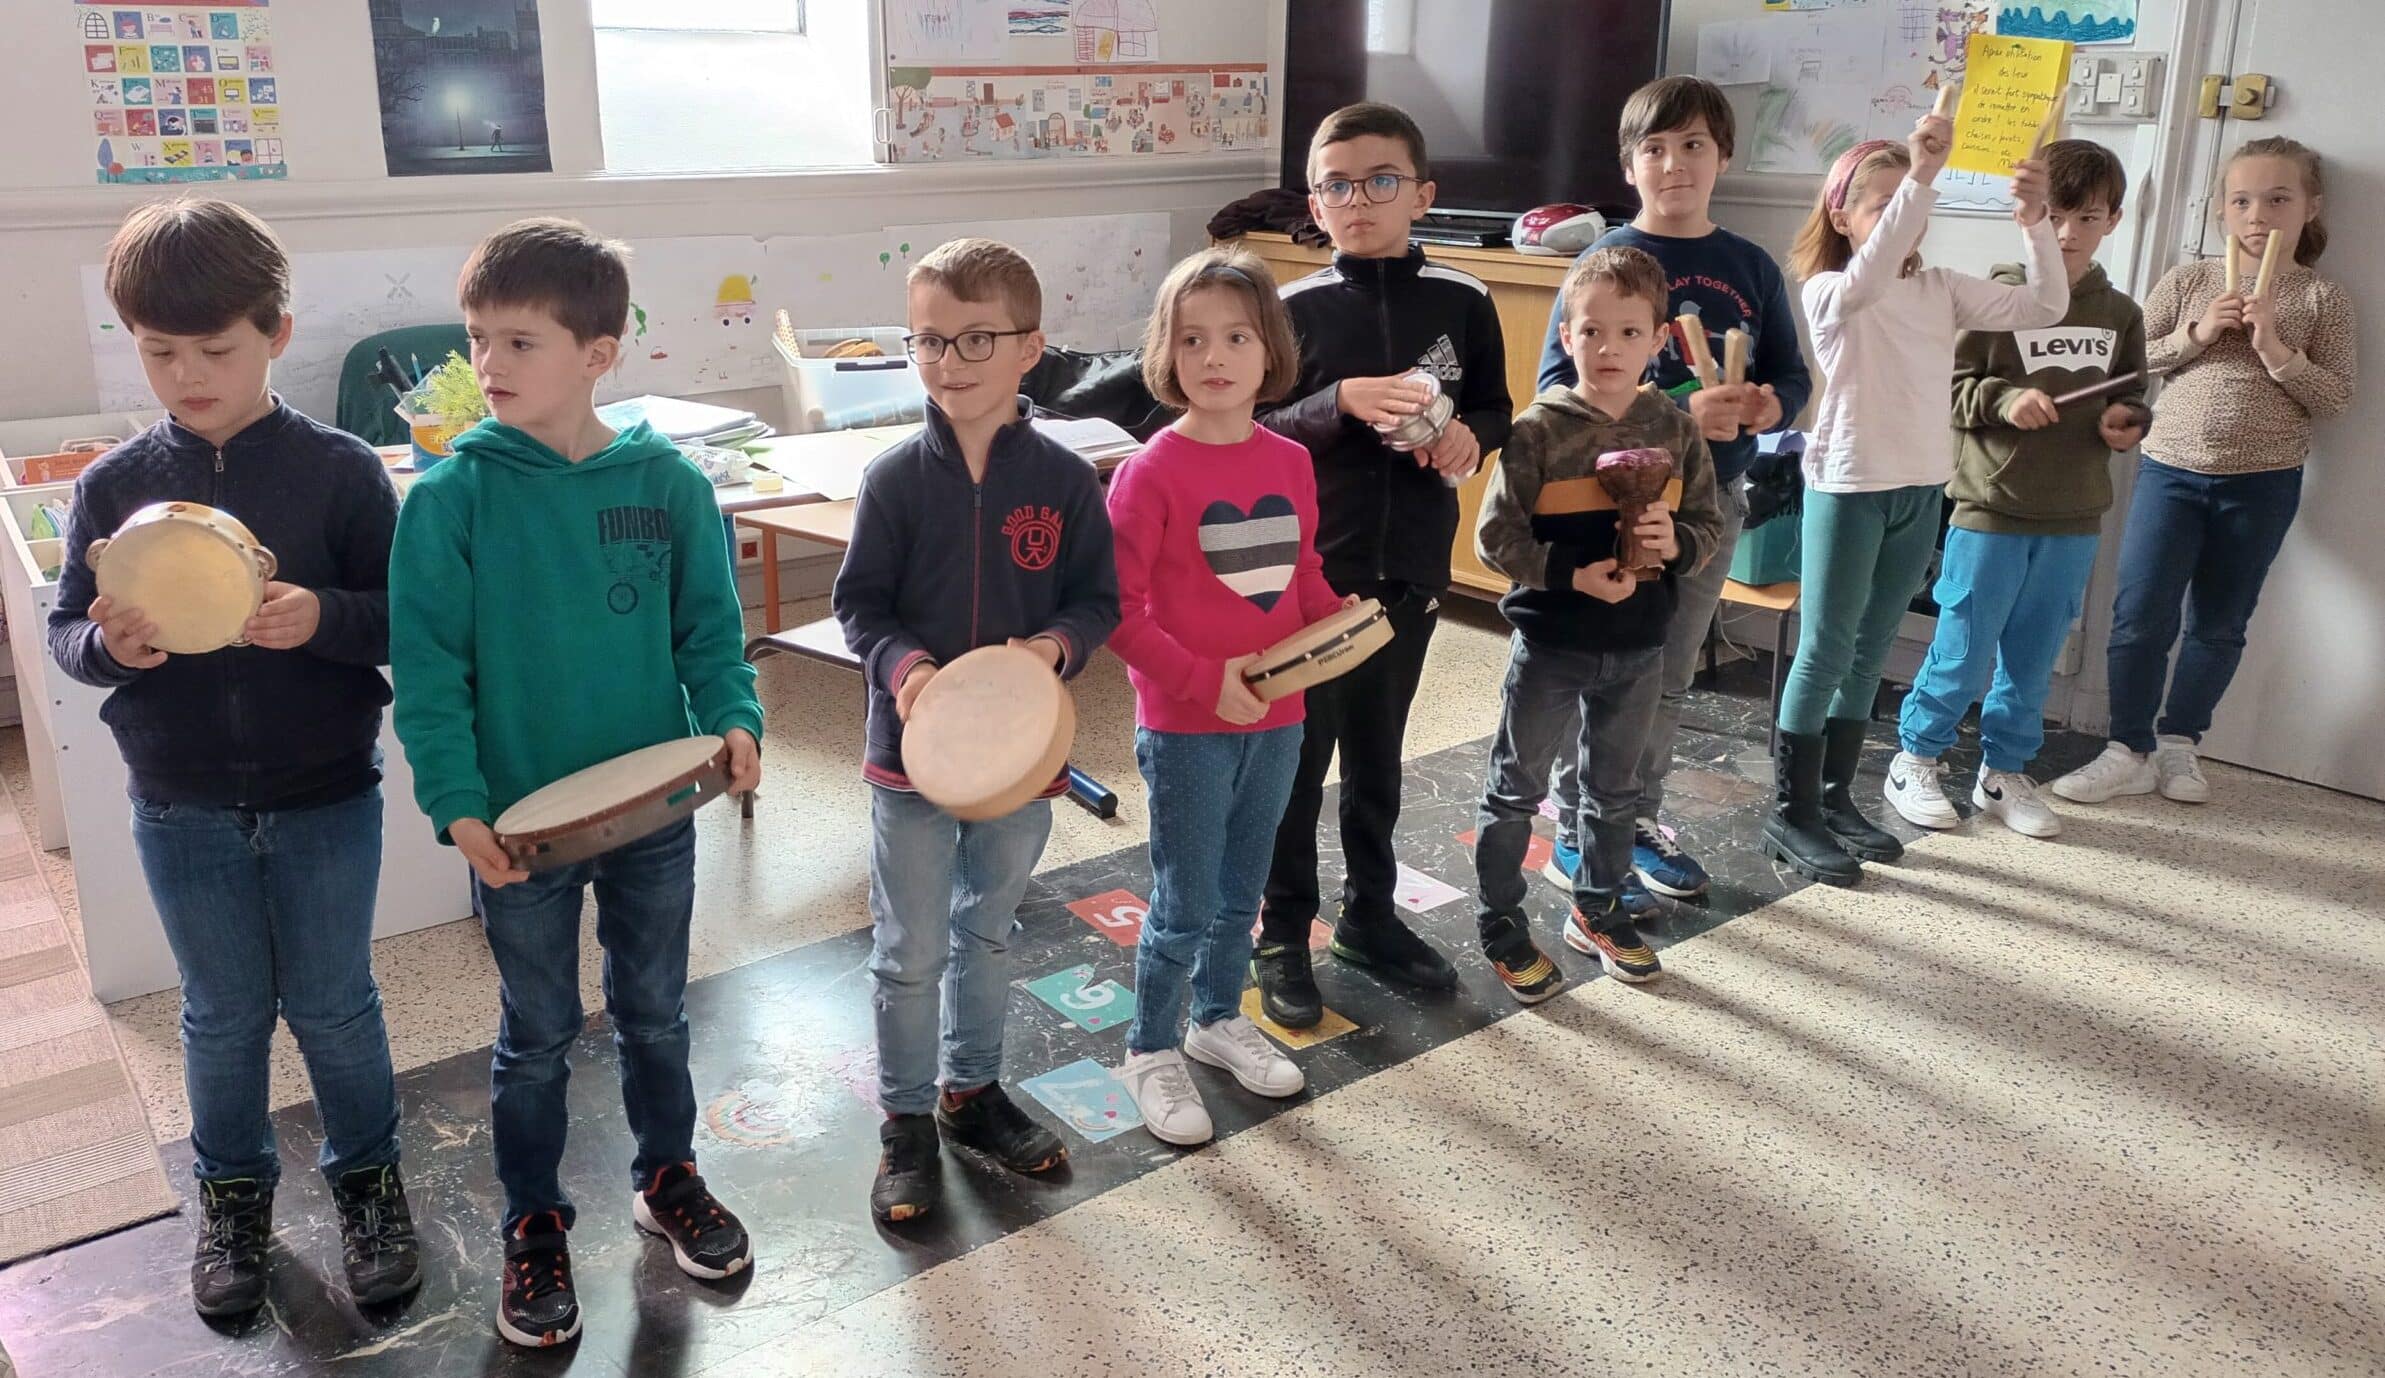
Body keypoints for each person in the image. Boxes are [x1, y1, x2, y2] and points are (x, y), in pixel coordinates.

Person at [389, 217, 765, 1348]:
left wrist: (735, 719)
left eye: (519, 341)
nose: (488, 364)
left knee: (655, 1011)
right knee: (537, 1033)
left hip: (654, 810)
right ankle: (534, 1218)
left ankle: (669, 1176)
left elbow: (709, 632)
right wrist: (457, 804)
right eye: (477, 338)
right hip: (522, 831)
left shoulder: (670, 483)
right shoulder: (450, 500)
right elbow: (430, 673)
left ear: (598, 353)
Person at [48, 198, 418, 1319]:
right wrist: (109, 647)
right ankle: (233, 1198)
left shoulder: (341, 470)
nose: (188, 375)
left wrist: (324, 617)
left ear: (275, 332)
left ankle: (369, 1184)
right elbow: (68, 632)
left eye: (215, 349)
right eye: (160, 351)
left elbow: (404, 617)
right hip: (181, 799)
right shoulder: (113, 485)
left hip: (325, 791)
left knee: (335, 1004)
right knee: (219, 1013)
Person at [832, 237, 1119, 1222]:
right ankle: (907, 1119)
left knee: (987, 931)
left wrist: (1051, 649)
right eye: (927, 340)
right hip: (909, 759)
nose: (948, 361)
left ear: (1030, 348)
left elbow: (1096, 600)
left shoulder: (1067, 480)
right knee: (909, 949)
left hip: (1021, 759)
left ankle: (972, 1090)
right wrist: (906, 670)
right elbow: (860, 606)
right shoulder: (892, 479)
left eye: (975, 339)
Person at [1252, 101, 1511, 1029]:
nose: (1357, 200)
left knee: (1377, 757)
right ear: (1314, 205)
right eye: (1336, 186)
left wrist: (1470, 440)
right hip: (1314, 577)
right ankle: (1283, 931)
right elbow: (1251, 430)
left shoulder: (1465, 298)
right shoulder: (1289, 310)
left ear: (1422, 195)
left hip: (1411, 570)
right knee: (1297, 763)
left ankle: (1369, 915)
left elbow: (1495, 406)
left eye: (1380, 181)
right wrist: (1337, 402)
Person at [1534, 75, 1812, 907]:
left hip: (1705, 505)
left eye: (1692, 145)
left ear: (1722, 156)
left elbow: (1791, 376)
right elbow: (1554, 391)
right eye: (1653, 148)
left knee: (1666, 671)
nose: (1673, 163)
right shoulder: (1601, 265)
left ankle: (1632, 818)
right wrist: (1681, 411)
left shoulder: (1749, 266)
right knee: (1600, 666)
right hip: (1605, 507)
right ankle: (1577, 828)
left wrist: (1766, 407)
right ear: (1629, 166)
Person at [1769, 112, 2066, 885]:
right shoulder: (1830, 289)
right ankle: (1790, 811)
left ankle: (1833, 798)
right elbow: (1870, 275)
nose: (1904, 211)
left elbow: (2044, 307)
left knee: (1871, 647)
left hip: (1919, 484)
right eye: (1881, 201)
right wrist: (1925, 176)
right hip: (1849, 486)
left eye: (1907, 199)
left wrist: (2035, 223)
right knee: (1825, 647)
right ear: (1841, 216)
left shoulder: (1938, 289)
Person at [1105, 246, 1347, 1144]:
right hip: (1186, 727)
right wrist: (1205, 684)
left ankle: (1213, 1018)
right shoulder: (1150, 472)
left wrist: (1336, 619)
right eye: (1192, 338)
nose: (1214, 356)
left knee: (1242, 890)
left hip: (1280, 719)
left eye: (1236, 337)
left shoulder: (1289, 460)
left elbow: (1301, 572)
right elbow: (1118, 613)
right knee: (1182, 903)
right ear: (1165, 353)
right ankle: (1148, 1048)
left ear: (1268, 348)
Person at [2051, 136, 2357, 807]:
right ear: (2220, 209)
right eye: (2241, 201)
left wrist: (2274, 348)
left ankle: (2179, 742)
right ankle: (2126, 748)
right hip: (2171, 472)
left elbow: (2334, 398)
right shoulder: (2189, 279)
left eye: (2277, 200)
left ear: (2310, 207)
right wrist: (2196, 333)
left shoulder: (2320, 298)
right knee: (2139, 614)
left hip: (2264, 481)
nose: (2257, 216)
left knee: (2219, 622)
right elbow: (2129, 362)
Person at [1473, 246, 1721, 996]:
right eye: (1590, 331)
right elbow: (1494, 538)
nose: (1608, 348)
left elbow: (1707, 525)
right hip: (1552, 642)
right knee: (1515, 789)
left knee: (1615, 794)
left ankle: (1598, 909)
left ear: (1658, 341)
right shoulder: (1539, 429)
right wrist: (1568, 574)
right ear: (1566, 336)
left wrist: (1675, 544)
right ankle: (1499, 922)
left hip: (1639, 645)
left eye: (1628, 332)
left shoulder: (1674, 428)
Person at [1889, 140, 2149, 838]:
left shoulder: (2120, 313)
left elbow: (2130, 396)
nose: (2067, 232)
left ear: (2113, 221)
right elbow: (1949, 389)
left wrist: (2127, 422)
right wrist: (2004, 401)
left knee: (2033, 657)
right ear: (2028, 214)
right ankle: (1916, 758)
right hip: (1991, 510)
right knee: (1963, 647)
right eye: (2054, 214)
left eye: (2087, 217)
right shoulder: (1993, 299)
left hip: (2073, 515)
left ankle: (2003, 772)